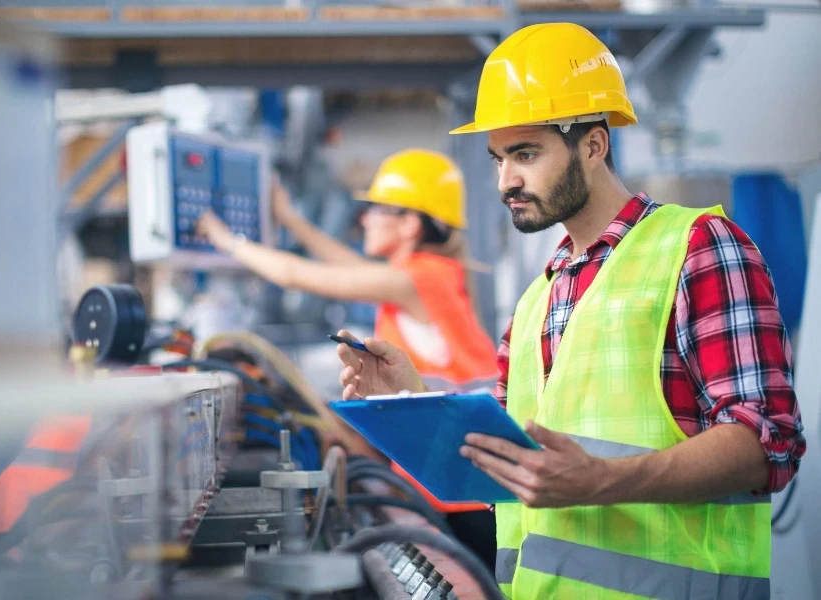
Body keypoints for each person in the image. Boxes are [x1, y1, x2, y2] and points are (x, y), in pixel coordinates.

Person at [335, 22, 805, 599]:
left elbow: (767, 442)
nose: (506, 180)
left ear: (593, 144)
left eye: (526, 153)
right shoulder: (540, 297)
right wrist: (410, 401)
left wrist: (601, 481)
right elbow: (501, 468)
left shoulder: (699, 248)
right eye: (498, 158)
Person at [196, 148, 499, 565]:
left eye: (376, 208)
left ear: (409, 223)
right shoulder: (426, 276)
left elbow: (296, 276)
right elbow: (346, 265)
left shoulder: (418, 279)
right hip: (463, 473)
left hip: (461, 483)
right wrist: (290, 220)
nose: (363, 218)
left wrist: (223, 238)